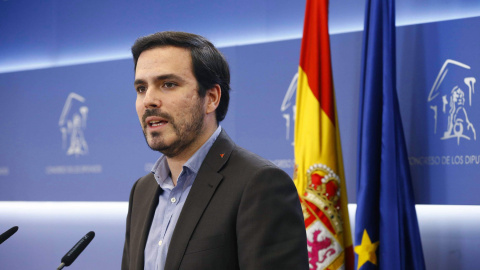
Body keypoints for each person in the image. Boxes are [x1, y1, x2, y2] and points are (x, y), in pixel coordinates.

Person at [122, 31, 308, 270]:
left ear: (211, 98)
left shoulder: (260, 184)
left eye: (168, 84)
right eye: (141, 88)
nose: (149, 100)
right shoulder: (142, 191)